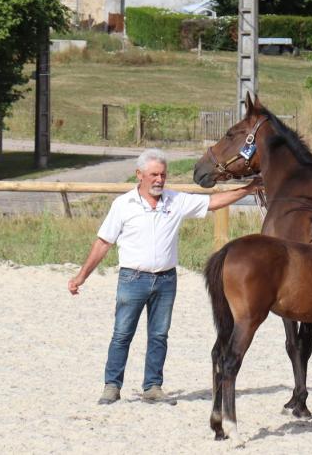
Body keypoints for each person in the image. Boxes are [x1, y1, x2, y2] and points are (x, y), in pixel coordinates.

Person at [68, 148, 261, 405]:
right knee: (122, 333)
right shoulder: (123, 205)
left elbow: (213, 202)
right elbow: (103, 242)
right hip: (132, 279)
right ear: (139, 175)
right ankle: (112, 385)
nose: (159, 180)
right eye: (154, 175)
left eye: (163, 175)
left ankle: (153, 386)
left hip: (166, 280)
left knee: (159, 335)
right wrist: (82, 275)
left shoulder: (175, 200)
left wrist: (249, 188)